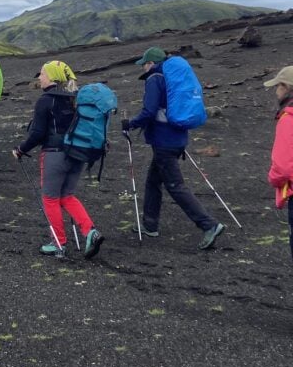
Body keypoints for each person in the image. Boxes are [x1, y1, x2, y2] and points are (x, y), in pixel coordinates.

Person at [122, 47, 224, 250]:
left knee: (175, 186)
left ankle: (209, 225)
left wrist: (131, 123)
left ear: (150, 63)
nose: (143, 66)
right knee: (153, 181)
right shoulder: (172, 78)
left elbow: (149, 111)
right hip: (177, 137)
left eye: (144, 63)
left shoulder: (154, 78)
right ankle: (150, 225)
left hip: (164, 141)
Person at [12, 60, 104, 261]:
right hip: (79, 153)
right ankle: (90, 232)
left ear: (52, 77)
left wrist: (20, 149)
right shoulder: (76, 98)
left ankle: (58, 243)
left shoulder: (46, 100)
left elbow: (37, 133)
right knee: (67, 195)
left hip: (54, 154)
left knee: (50, 198)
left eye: (42, 74)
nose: (39, 78)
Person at [264, 66, 293, 260]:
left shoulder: (288, 119)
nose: (276, 91)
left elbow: (283, 167)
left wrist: (273, 179)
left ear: (286, 88)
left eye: (278, 86)